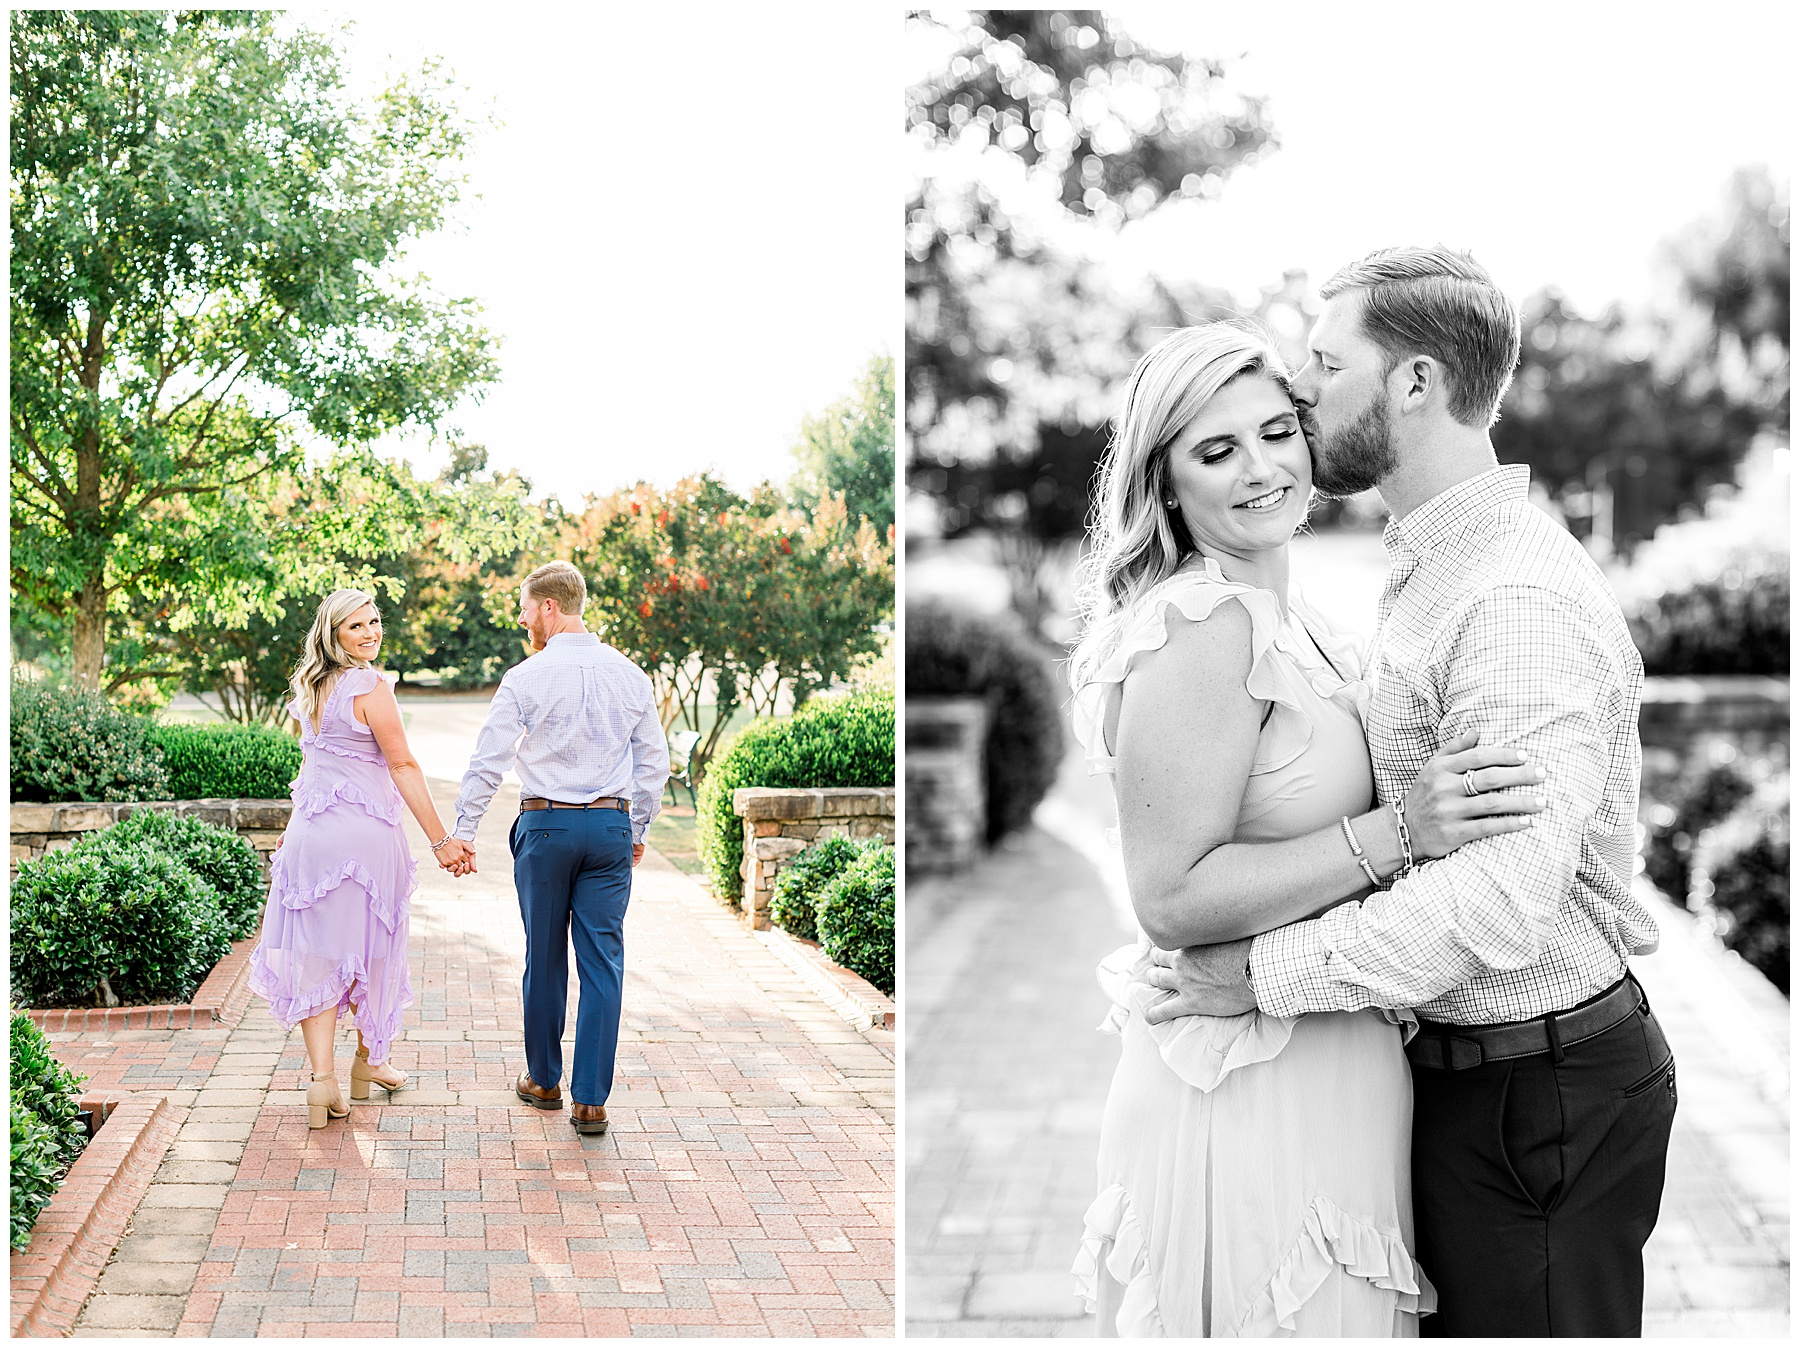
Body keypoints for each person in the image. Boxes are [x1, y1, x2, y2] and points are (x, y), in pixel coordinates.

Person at [1143, 248, 1674, 1337]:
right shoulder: (1430, 563)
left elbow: (1498, 898)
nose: (1300, 391)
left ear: (1416, 383)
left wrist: (1262, 972)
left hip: (1541, 1092)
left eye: (1326, 365)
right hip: (1466, 1078)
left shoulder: (1514, 597)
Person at [1067, 321, 1548, 1336]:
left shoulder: (1305, 614)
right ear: (1164, 484)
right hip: (1249, 1093)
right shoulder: (1202, 625)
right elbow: (1170, 899)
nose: (1262, 469)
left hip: (1336, 1062)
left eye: (1277, 431)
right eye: (1216, 450)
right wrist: (1398, 834)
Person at [451, 560, 668, 1136]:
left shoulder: (525, 677)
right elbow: (654, 764)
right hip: (610, 830)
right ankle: (591, 1099)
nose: (521, 619)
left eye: (525, 607)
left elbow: (489, 758)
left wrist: (464, 829)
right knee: (603, 964)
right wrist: (639, 831)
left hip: (546, 830)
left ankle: (545, 1081)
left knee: (544, 956)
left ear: (549, 606)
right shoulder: (631, 674)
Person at [248, 589, 473, 1130]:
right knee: (372, 952)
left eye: (375, 622)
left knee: (321, 956)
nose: (371, 633)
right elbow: (403, 767)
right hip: (363, 842)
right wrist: (443, 840)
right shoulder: (373, 687)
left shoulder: (308, 688)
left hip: (309, 838)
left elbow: (310, 769)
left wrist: (289, 831)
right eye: (357, 627)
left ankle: (326, 1078)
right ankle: (366, 1063)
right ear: (334, 634)